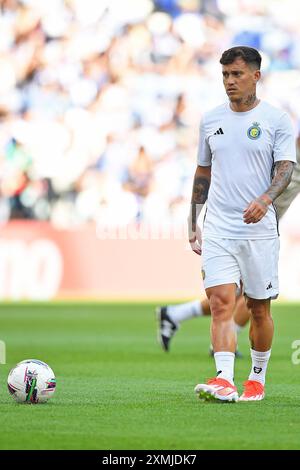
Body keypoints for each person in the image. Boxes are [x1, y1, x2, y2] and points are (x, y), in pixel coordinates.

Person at [177, 46, 296, 402]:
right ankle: (224, 379)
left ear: (256, 76)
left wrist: (265, 199)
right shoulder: (211, 119)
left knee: (259, 308)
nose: (230, 81)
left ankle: (256, 380)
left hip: (258, 230)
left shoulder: (276, 120)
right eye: (226, 75)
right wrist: (193, 218)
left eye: (237, 74)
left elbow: (286, 168)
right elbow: (203, 170)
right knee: (221, 302)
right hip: (219, 227)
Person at [156, 141, 300, 355]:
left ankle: (177, 315)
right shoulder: (282, 157)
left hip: (261, 225)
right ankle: (220, 342)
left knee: (237, 292)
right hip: (248, 223)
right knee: (253, 294)